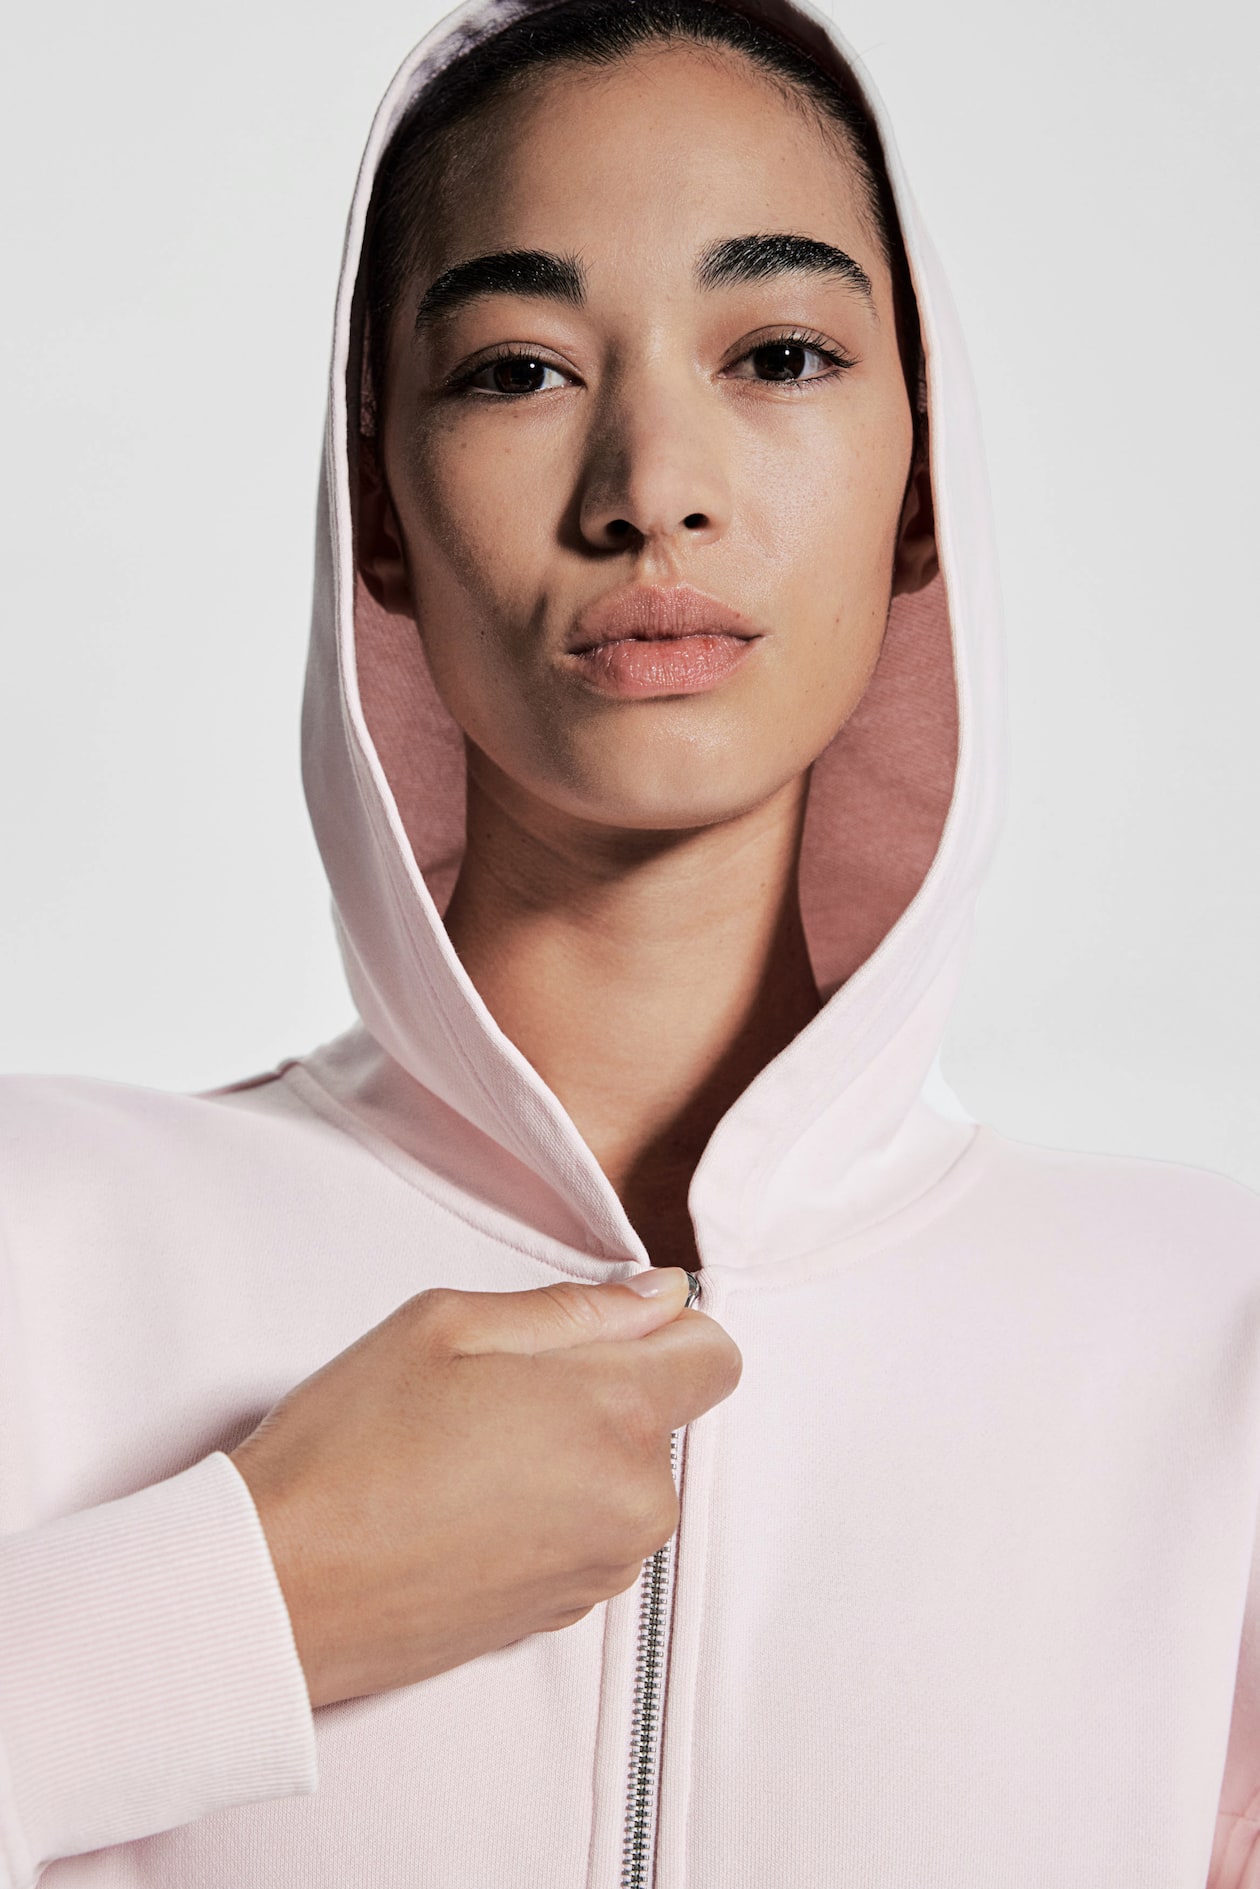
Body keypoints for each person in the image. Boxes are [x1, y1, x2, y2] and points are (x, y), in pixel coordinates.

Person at [1, 0, 1258, 1884]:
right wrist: (248, 1593)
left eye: (779, 352)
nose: (651, 483)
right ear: (383, 509)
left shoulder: (1213, 1348)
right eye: (517, 369)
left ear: (922, 479)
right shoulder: (38, 1243)